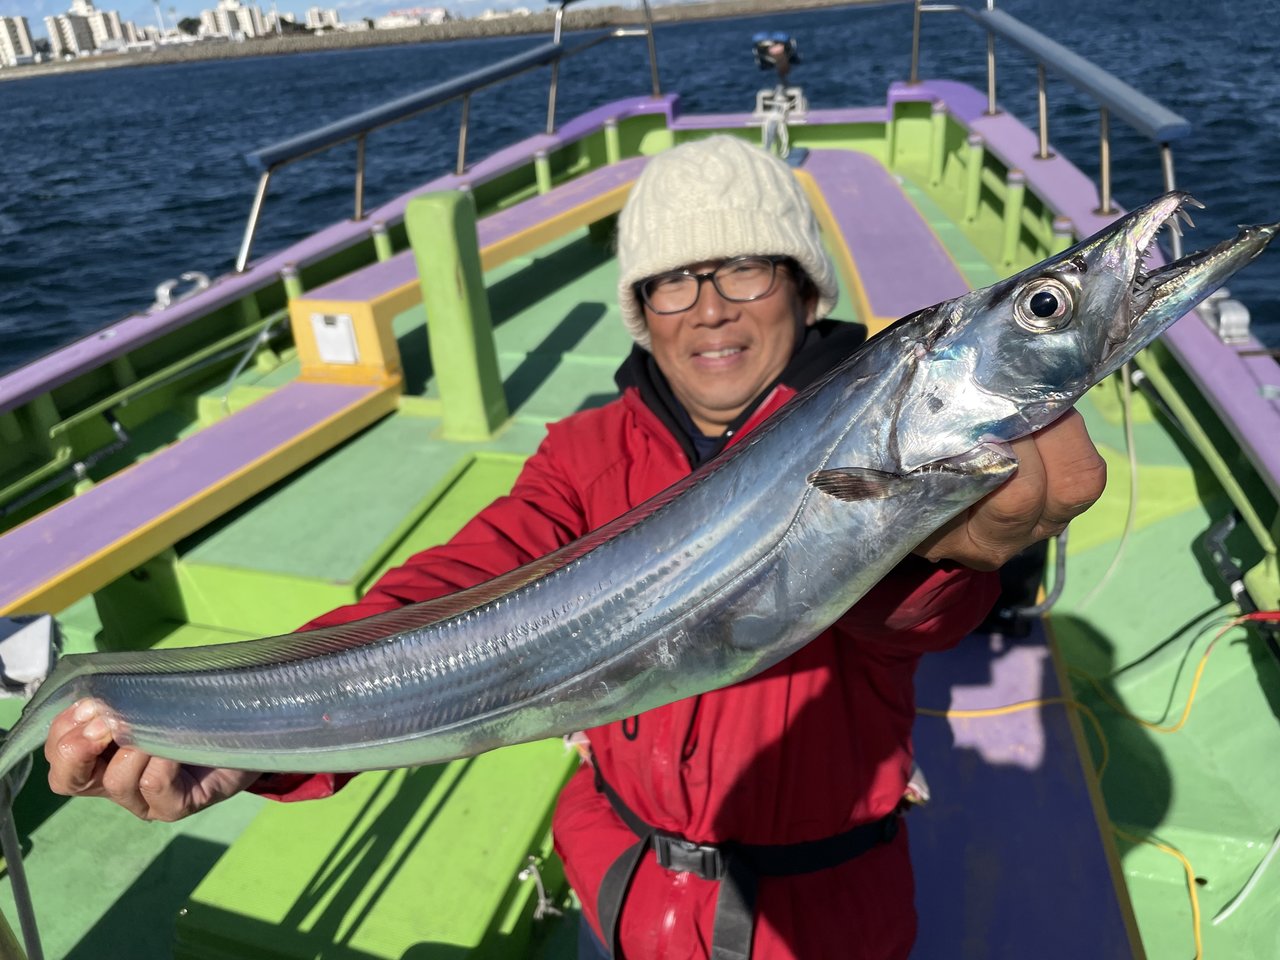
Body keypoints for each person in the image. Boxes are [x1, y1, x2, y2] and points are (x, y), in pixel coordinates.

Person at [43, 136, 1107, 959]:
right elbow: (450, 594)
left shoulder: (881, 422)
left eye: (745, 268)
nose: (708, 310)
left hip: (822, 916)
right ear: (640, 309)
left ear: (802, 285)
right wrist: (246, 741)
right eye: (672, 280)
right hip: (625, 885)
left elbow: (912, 620)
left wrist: (938, 553)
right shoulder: (584, 453)